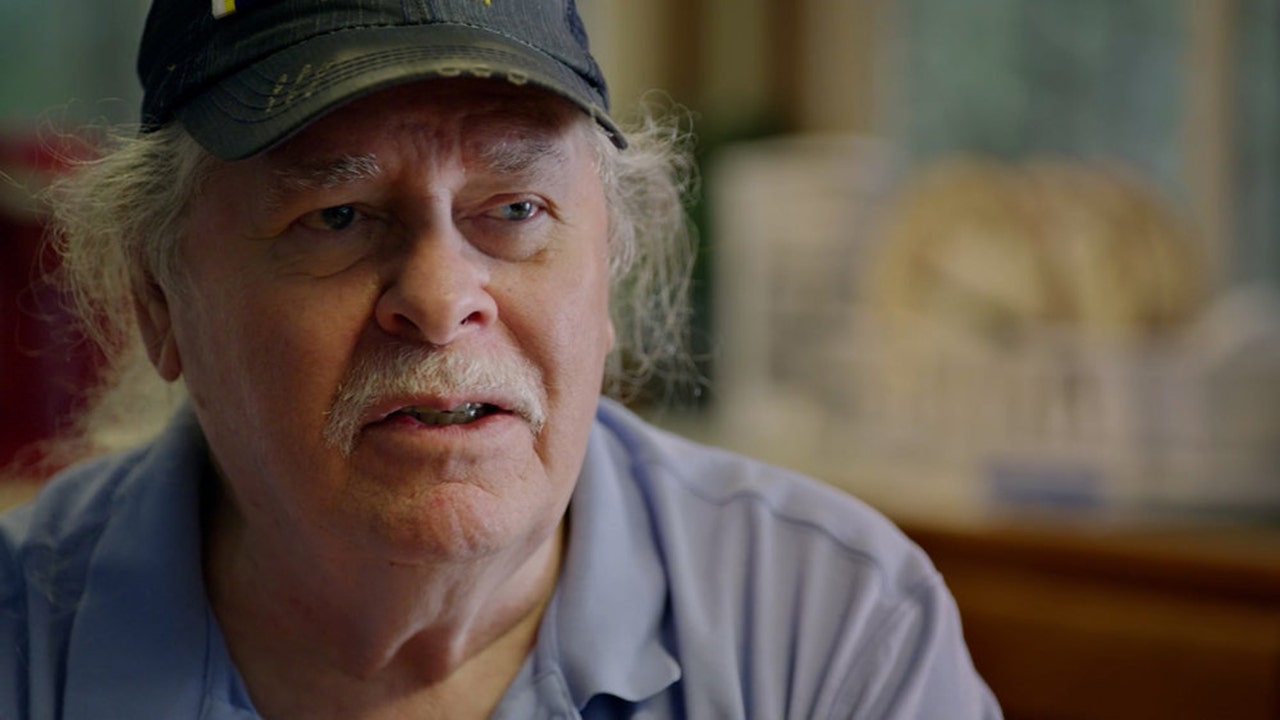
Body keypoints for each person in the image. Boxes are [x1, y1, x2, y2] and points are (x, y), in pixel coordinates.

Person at [0, 1, 1001, 718]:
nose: (440, 302)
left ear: (607, 266)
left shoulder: (827, 633)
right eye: (336, 216)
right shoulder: (22, 652)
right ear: (157, 298)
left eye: (516, 211)